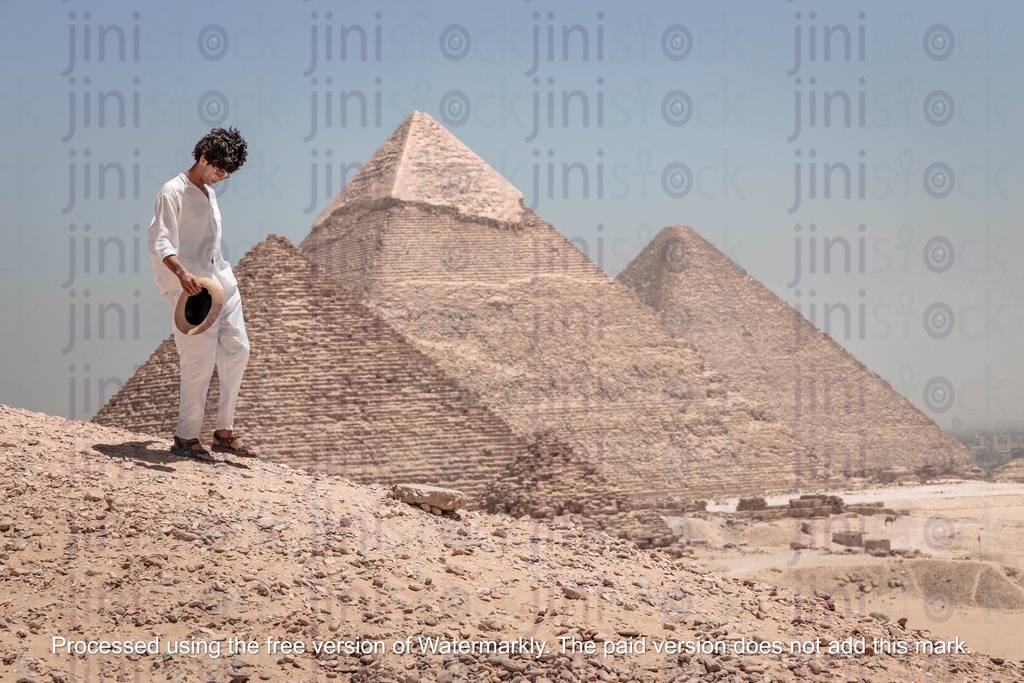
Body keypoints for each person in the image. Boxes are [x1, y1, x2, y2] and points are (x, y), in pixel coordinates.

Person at [147, 127, 258, 462]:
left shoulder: (208, 192)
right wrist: (181, 274)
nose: (222, 178)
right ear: (204, 158)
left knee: (239, 350)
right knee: (198, 360)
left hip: (221, 279)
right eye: (219, 170)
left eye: (227, 173)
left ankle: (224, 432)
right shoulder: (172, 192)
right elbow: (160, 240)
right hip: (191, 286)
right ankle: (186, 436)